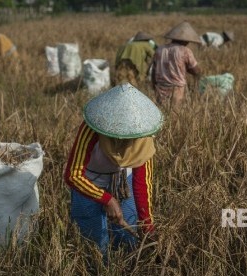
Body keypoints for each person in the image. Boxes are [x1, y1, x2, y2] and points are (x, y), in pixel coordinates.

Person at [64, 83, 163, 261]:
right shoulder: (92, 128)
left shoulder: (144, 139)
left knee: (126, 240)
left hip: (122, 185)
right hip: (88, 182)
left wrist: (147, 226)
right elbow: (73, 174)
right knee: (95, 246)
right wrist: (107, 199)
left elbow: (142, 184)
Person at [151, 21, 202, 110]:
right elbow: (196, 71)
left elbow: (154, 70)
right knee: (174, 114)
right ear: (184, 40)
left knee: (161, 114)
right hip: (177, 88)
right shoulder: (185, 51)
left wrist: (154, 85)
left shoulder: (160, 49)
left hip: (160, 87)